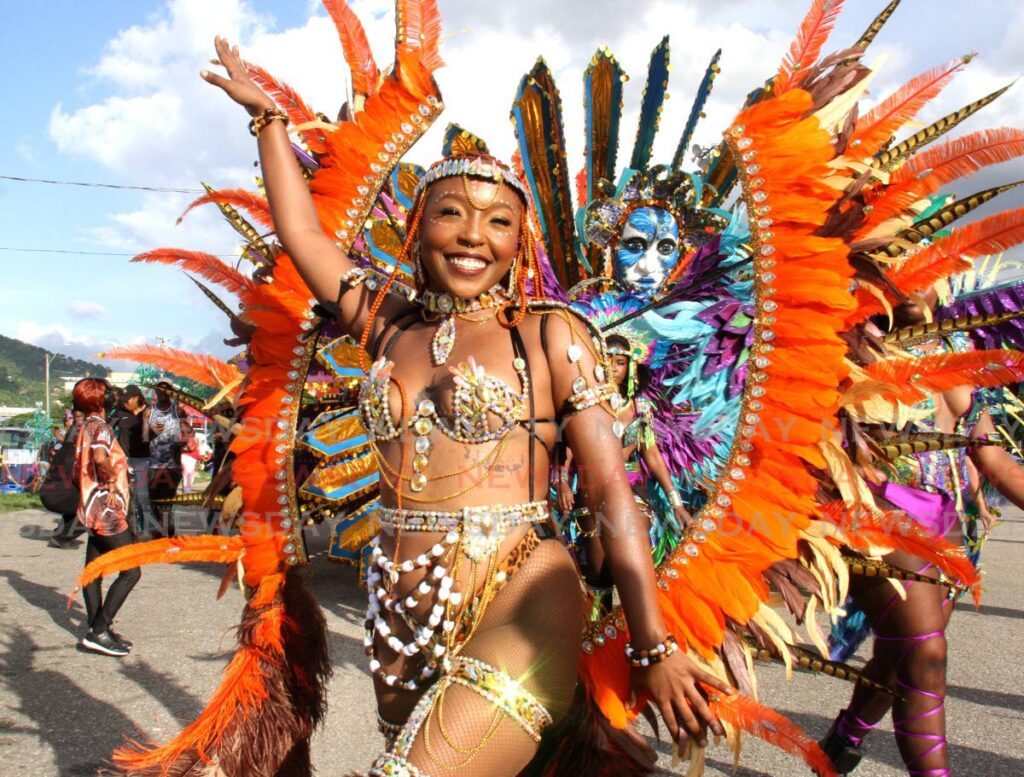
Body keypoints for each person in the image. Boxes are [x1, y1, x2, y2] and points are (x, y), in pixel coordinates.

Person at [201, 32, 731, 776]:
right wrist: (268, 121)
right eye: (452, 214)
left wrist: (652, 645)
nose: (473, 235)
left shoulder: (549, 334)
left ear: (520, 242)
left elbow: (612, 490)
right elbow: (303, 237)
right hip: (402, 609)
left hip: (526, 591)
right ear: (420, 232)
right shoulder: (387, 325)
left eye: (498, 221)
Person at [72, 377, 139, 657]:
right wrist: (112, 481)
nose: (114, 396)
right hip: (107, 509)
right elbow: (100, 458)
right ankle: (100, 629)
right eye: (108, 392)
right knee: (131, 571)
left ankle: (96, 630)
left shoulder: (84, 425)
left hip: (92, 507)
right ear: (98, 399)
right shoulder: (99, 426)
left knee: (93, 571)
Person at [110, 384, 153, 532]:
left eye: (128, 400)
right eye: (123, 400)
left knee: (142, 497)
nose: (125, 402)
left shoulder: (150, 411)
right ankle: (127, 529)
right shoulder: (120, 412)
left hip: (143, 460)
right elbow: (107, 429)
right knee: (123, 495)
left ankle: (147, 529)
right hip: (123, 460)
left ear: (137, 398)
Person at [147, 379, 182, 537]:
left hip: (172, 466)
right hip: (152, 465)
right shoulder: (149, 411)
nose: (162, 391)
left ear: (171, 391)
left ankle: (167, 536)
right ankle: (159, 536)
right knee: (154, 503)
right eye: (159, 388)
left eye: (166, 388)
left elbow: (188, 434)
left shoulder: (179, 411)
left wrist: (181, 442)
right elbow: (143, 437)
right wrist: (151, 430)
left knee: (166, 503)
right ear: (155, 391)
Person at [179, 420, 202, 493]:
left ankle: (187, 488)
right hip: (189, 458)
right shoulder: (189, 439)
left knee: (188, 473)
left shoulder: (187, 438)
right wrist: (196, 445)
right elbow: (190, 448)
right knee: (188, 473)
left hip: (189, 458)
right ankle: (186, 489)